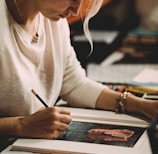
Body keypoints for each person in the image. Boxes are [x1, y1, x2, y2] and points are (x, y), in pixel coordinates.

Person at [0, 0, 158, 140]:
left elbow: (74, 83)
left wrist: (140, 105)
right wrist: (20, 125)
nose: (75, 11)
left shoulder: (52, 18)